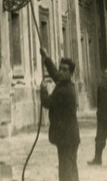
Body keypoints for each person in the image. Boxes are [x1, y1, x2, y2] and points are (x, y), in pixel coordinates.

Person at [39, 47, 80, 181]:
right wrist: (46, 58)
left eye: (65, 70)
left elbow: (47, 102)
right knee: (71, 169)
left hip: (66, 138)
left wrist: (43, 89)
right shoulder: (66, 84)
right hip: (70, 137)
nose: (61, 72)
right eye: (61, 68)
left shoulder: (64, 91)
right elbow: (55, 74)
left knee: (65, 172)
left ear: (71, 74)